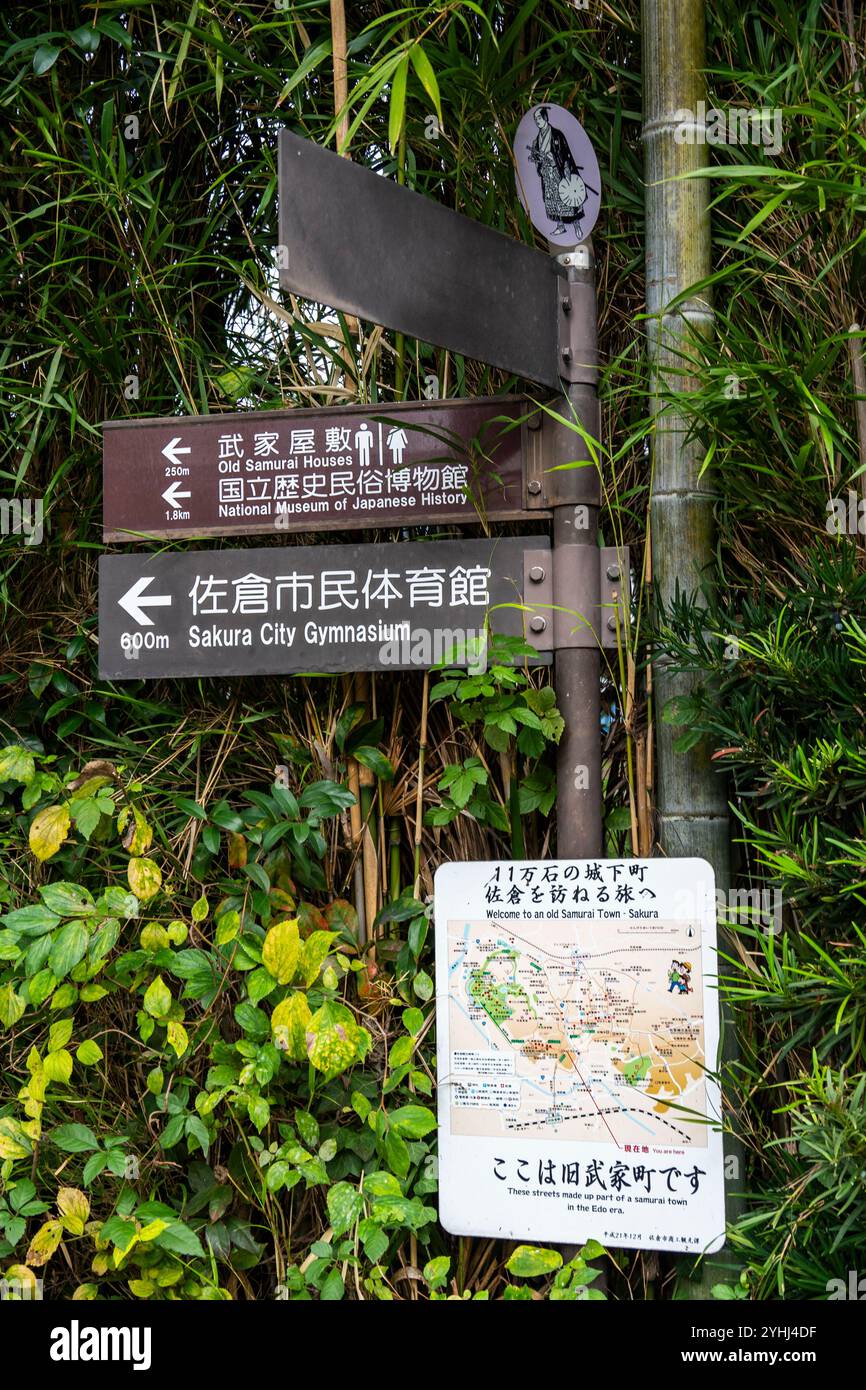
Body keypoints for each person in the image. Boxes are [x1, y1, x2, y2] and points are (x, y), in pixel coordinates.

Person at [527, 106, 592, 236]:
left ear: (545, 117)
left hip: (559, 171)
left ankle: (577, 225)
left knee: (567, 198)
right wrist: (536, 158)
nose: (537, 121)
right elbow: (536, 158)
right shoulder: (536, 141)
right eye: (535, 119)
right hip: (547, 174)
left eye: (539, 117)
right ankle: (560, 225)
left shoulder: (557, 134)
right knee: (552, 201)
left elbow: (565, 153)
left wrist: (564, 166)